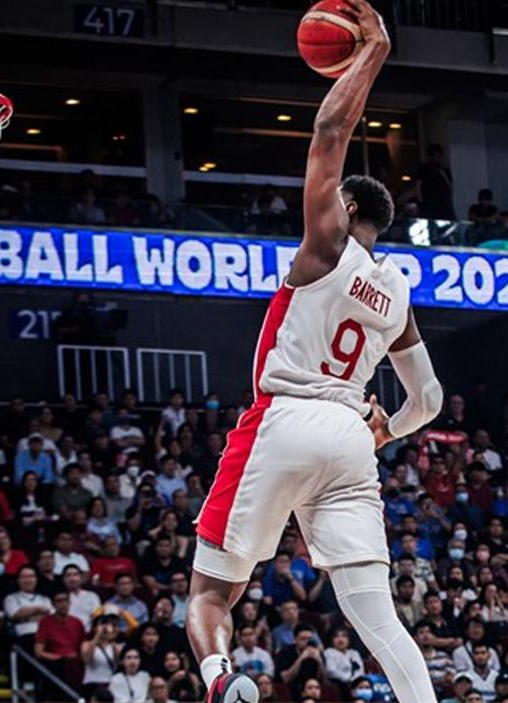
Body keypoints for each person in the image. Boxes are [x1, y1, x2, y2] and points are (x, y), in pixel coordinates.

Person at [186, 6, 442, 703]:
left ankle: (221, 681)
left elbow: (330, 130)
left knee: (211, 592)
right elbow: (431, 402)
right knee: (377, 614)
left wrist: (372, 54)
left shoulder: (327, 242)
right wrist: (385, 428)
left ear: (346, 206)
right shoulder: (398, 293)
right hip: (352, 440)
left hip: (286, 417)